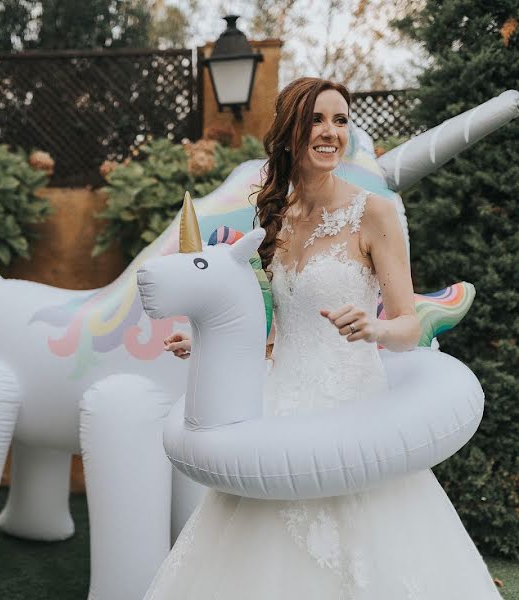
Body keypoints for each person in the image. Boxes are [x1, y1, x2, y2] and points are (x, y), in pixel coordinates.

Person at [151, 77, 502, 599]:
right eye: (317, 119)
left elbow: (407, 325)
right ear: (291, 131)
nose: (330, 132)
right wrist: (204, 344)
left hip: (352, 411)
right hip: (278, 409)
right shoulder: (276, 218)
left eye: (340, 120)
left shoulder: (374, 213)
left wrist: (375, 328)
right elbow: (270, 332)